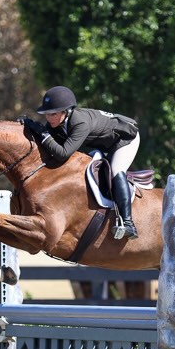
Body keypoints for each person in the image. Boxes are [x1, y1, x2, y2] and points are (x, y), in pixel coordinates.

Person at [34, 86, 141, 239]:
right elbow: (46, 141)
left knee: (116, 170)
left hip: (124, 139)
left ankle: (128, 223)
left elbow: (62, 153)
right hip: (104, 144)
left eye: (53, 114)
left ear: (67, 111)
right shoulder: (56, 124)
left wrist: (43, 134)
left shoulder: (79, 123)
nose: (49, 118)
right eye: (46, 114)